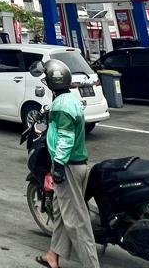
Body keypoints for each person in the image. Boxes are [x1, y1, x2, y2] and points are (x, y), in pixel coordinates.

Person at [38, 58, 99, 268]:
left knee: (76, 221)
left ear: (53, 83)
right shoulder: (68, 100)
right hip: (75, 164)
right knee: (60, 211)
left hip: (68, 166)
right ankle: (52, 255)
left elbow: (65, 138)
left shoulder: (62, 106)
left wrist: (58, 165)